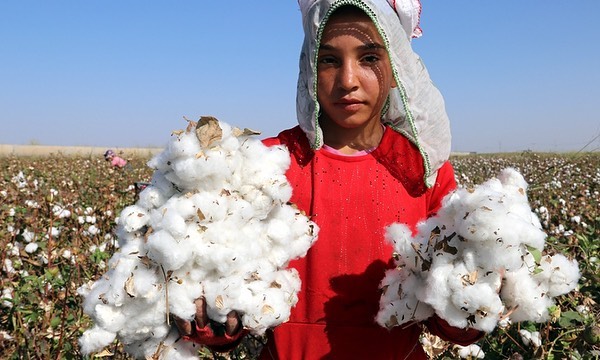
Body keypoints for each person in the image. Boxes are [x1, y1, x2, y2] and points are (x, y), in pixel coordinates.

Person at [176, 1, 484, 358]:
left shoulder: (425, 169)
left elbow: (454, 324)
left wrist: (471, 301)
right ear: (309, 65)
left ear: (397, 66)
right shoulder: (267, 163)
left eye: (369, 58)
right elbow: (227, 303)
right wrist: (209, 315)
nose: (348, 81)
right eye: (329, 60)